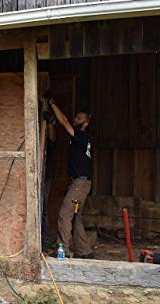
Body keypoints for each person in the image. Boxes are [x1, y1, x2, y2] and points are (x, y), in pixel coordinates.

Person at [45, 90, 95, 259]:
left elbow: (64, 121)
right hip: (82, 183)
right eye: (76, 118)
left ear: (86, 123)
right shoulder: (81, 139)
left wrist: (52, 103)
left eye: (79, 119)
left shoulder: (81, 136)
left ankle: (62, 251)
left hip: (80, 184)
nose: (75, 120)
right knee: (75, 218)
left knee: (64, 214)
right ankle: (85, 251)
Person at [41, 108, 57, 253]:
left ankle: (44, 246)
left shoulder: (47, 141)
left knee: (43, 209)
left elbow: (52, 138)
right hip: (37, 175)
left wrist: (50, 123)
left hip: (45, 177)